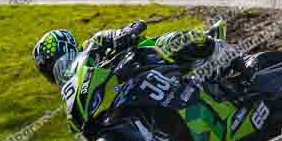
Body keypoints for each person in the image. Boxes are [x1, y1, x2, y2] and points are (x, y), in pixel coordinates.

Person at [32, 20, 246, 94]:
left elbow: (104, 36)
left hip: (150, 61)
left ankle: (214, 47)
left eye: (52, 63)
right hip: (141, 90)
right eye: (47, 70)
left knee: (167, 43)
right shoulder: (76, 88)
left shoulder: (90, 48)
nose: (53, 71)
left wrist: (123, 35)